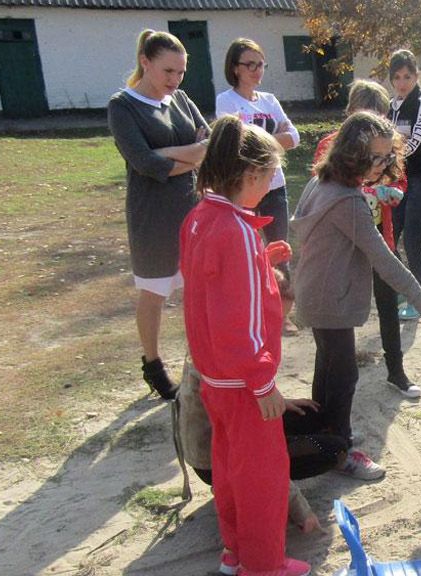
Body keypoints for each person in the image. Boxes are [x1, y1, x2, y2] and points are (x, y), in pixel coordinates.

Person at [179, 115, 308, 576]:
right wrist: (262, 381)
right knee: (262, 479)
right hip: (243, 382)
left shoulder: (201, 218)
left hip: (213, 377)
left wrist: (260, 261)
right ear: (250, 175)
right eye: (270, 175)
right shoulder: (236, 231)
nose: (272, 183)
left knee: (230, 470)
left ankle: (234, 553)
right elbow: (240, 319)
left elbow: (209, 289)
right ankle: (264, 564)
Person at [292, 111, 421, 480]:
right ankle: (340, 451)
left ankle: (324, 437)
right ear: (352, 154)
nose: (382, 164)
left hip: (314, 292)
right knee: (343, 376)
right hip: (331, 301)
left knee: (328, 369)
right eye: (375, 157)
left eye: (386, 156)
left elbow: (300, 222)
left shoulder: (320, 182)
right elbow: (384, 261)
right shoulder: (348, 201)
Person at [108, 29, 209, 400]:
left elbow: (209, 143)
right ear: (145, 62)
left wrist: (169, 152)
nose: (175, 79)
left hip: (193, 209)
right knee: (154, 293)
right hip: (152, 215)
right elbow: (147, 164)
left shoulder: (180, 99)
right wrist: (189, 152)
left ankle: (200, 360)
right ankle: (153, 364)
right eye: (168, 71)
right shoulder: (123, 106)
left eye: (181, 72)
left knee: (196, 290)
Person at [313, 80, 421, 398]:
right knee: (335, 316)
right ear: (351, 116)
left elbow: (399, 179)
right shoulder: (330, 145)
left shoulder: (389, 146)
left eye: (381, 116)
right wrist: (370, 189)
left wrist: (395, 193)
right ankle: (331, 378)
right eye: (367, 116)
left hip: (378, 238)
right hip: (343, 249)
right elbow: (324, 188)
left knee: (388, 304)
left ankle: (396, 372)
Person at [176, 362, 348, 549]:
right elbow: (258, 453)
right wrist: (300, 509)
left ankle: (239, 485)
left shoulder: (212, 344)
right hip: (219, 462)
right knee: (334, 449)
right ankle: (239, 488)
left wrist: (281, 402)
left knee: (316, 415)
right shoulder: (230, 368)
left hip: (216, 441)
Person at [216, 38, 300, 335]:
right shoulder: (226, 101)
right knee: (247, 251)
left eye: (260, 64)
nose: (256, 70)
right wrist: (275, 140)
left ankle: (282, 314)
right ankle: (251, 308)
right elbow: (237, 143)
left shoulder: (269, 101)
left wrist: (260, 141)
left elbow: (296, 137)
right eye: (249, 64)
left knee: (280, 249)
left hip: (274, 186)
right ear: (235, 68)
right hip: (244, 189)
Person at [387, 49, 421, 320]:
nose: (402, 82)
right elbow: (386, 139)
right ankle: (401, 291)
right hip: (398, 182)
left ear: (416, 76)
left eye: (407, 76)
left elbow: (416, 143)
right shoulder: (392, 105)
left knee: (411, 241)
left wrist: (389, 154)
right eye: (396, 77)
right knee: (388, 238)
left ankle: (417, 300)